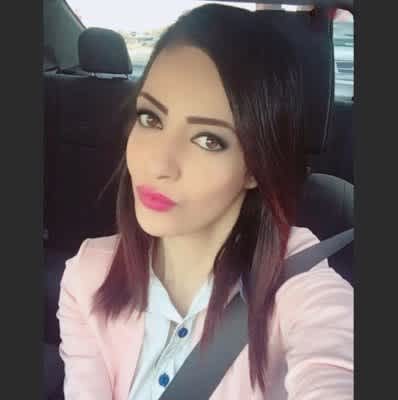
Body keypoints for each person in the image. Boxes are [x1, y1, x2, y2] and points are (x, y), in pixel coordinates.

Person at [57, 4, 353, 399]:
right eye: (151, 118)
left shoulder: (297, 280)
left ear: (254, 168)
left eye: (208, 140)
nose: (159, 165)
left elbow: (334, 366)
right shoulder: (87, 276)